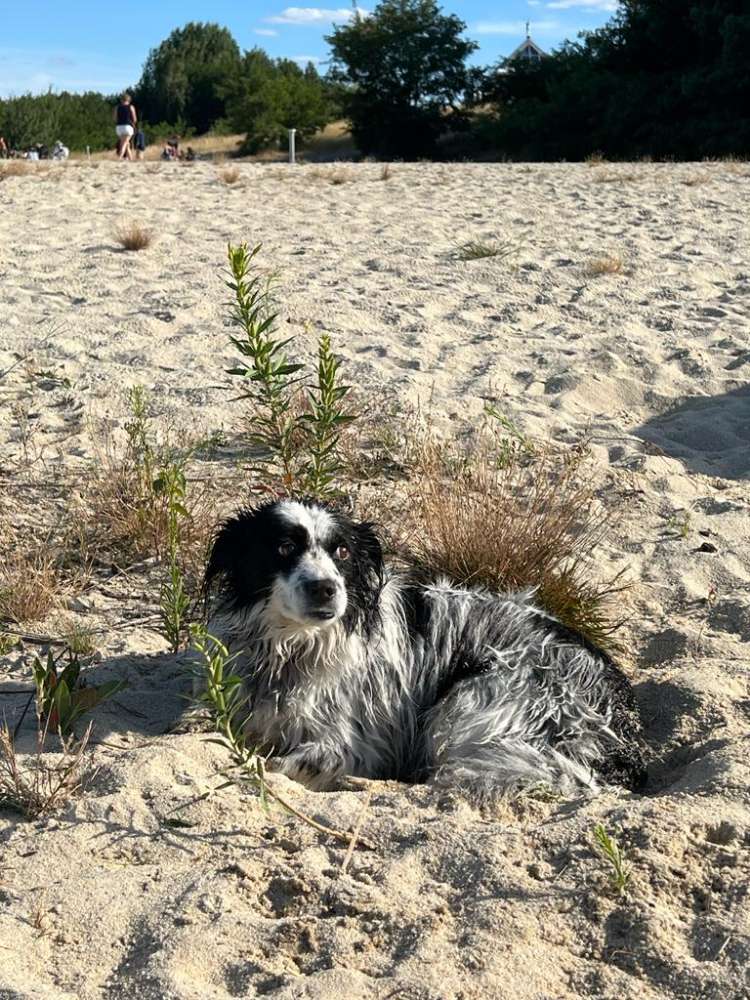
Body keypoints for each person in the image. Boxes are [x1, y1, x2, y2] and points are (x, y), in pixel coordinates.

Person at [114, 93, 137, 160]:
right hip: (127, 126)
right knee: (125, 143)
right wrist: (133, 124)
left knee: (125, 143)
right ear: (129, 100)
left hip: (119, 127)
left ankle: (130, 158)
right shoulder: (131, 107)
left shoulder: (117, 107)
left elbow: (115, 118)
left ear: (121, 100)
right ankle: (120, 157)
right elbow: (134, 119)